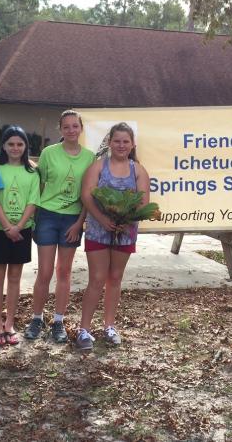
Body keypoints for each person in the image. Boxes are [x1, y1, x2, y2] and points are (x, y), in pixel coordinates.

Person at [75, 122, 150, 350]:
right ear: (109, 142)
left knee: (115, 278)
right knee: (97, 279)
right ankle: (84, 330)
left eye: (125, 141)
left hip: (125, 233)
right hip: (99, 230)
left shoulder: (138, 170)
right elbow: (87, 195)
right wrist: (101, 218)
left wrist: (124, 221)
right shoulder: (98, 167)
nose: (121, 145)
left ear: (132, 144)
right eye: (116, 141)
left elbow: (144, 202)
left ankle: (109, 326)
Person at [24, 110, 95, 343]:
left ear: (81, 128)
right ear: (60, 129)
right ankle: (36, 318)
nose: (71, 130)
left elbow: (88, 195)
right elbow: (39, 185)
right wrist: (34, 217)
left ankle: (58, 321)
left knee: (63, 271)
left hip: (72, 219)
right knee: (44, 271)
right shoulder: (48, 153)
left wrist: (79, 223)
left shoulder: (89, 157)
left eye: (75, 126)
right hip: (47, 215)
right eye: (66, 127)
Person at [0, 126, 39, 348]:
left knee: (15, 278)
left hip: (23, 230)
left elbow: (33, 201)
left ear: (26, 146)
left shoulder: (32, 172)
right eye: (11, 144)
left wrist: (18, 226)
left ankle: (10, 323)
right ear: (4, 146)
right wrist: (8, 226)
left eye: (20, 144)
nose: (15, 148)